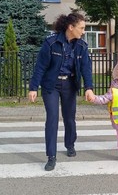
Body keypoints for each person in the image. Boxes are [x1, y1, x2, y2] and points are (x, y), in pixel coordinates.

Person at [28, 12, 94, 171]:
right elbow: (41, 67)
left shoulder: (81, 46)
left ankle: (70, 144)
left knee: (69, 118)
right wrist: (33, 87)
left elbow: (86, 69)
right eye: (81, 28)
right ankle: (51, 156)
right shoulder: (51, 43)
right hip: (51, 85)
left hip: (70, 85)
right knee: (52, 118)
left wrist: (89, 88)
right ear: (71, 27)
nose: (83, 31)